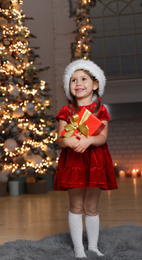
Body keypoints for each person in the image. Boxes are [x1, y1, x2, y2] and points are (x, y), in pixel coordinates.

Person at [54, 59, 118, 258]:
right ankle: (78, 249)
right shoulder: (67, 111)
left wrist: (89, 140)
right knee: (76, 206)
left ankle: (93, 247)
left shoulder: (101, 111)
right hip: (74, 162)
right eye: (73, 80)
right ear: (69, 86)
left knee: (91, 206)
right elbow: (60, 138)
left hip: (95, 162)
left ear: (95, 84)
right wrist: (69, 142)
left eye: (83, 79)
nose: (78, 83)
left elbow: (102, 137)